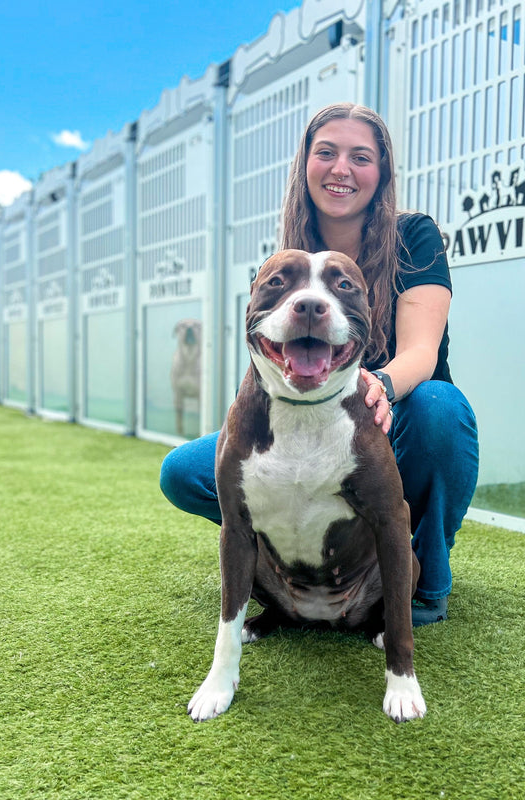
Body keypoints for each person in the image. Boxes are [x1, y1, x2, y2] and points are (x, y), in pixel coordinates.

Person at [160, 103, 479, 626]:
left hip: (392, 420)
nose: (341, 169)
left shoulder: (414, 235)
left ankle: (421, 573)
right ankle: (297, 554)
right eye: (326, 152)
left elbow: (422, 351)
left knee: (439, 408)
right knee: (183, 472)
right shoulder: (291, 257)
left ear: (382, 173)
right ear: (304, 164)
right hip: (304, 430)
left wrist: (382, 384)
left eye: (361, 157)